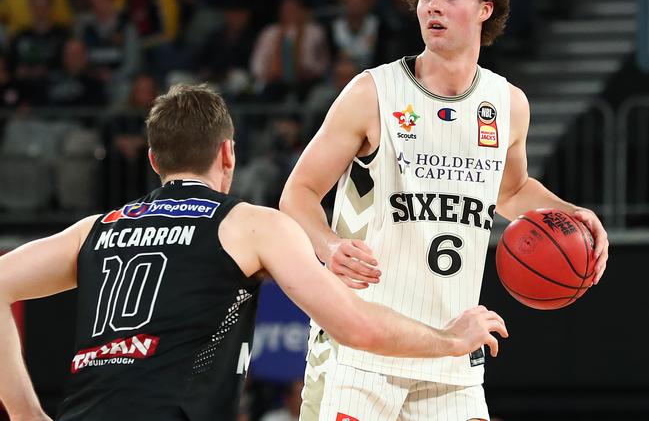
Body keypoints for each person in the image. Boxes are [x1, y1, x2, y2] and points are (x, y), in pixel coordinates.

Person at [0, 84, 508, 421]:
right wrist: (449, 338)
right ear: (228, 154)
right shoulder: (250, 225)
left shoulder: (96, 228)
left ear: (155, 160)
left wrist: (25, 414)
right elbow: (357, 326)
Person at [279, 0, 610, 420]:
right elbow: (298, 194)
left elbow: (512, 191)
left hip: (454, 346)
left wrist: (572, 214)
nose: (433, 6)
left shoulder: (508, 104)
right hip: (361, 345)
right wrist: (329, 246)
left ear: (484, 9)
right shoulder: (373, 92)